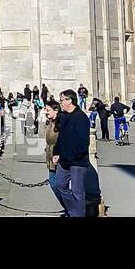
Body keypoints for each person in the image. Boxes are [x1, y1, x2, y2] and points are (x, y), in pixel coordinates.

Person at [52, 89, 92, 218]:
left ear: (69, 100)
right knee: (59, 185)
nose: (61, 103)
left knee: (77, 191)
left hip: (77, 161)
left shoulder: (81, 117)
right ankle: (73, 210)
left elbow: (83, 142)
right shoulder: (64, 116)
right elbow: (61, 137)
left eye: (62, 100)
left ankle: (77, 214)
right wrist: (56, 152)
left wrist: (72, 155)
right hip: (64, 160)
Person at [41, 99, 66, 214]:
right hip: (51, 154)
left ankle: (71, 207)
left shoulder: (60, 122)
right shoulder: (51, 121)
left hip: (58, 155)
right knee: (54, 183)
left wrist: (58, 152)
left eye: (48, 110)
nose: (46, 112)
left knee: (58, 184)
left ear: (56, 110)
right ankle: (69, 207)